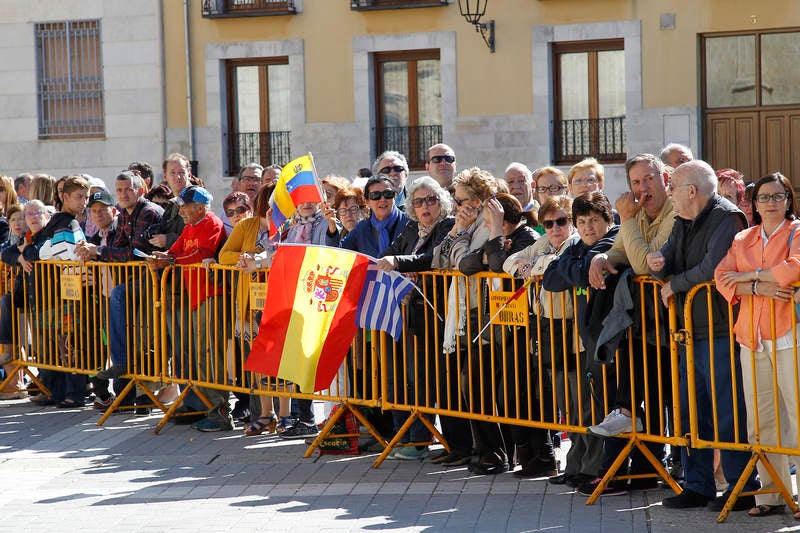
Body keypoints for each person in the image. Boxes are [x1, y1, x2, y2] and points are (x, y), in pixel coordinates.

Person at [647, 159, 759, 511]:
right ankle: (697, 485)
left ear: (691, 191)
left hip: (720, 329)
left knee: (728, 412)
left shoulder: (726, 218)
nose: (670, 196)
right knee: (692, 413)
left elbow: (713, 268)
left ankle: (742, 486)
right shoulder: (683, 219)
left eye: (673, 189)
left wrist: (675, 284)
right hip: (688, 332)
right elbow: (668, 256)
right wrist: (659, 264)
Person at [583, 153, 676, 494]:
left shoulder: (673, 213)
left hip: (677, 326)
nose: (643, 188)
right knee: (645, 384)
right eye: (636, 182)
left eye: (648, 179)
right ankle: (641, 461)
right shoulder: (637, 215)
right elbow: (621, 252)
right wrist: (602, 257)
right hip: (646, 326)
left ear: (664, 177)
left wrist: (626, 219)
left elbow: (643, 265)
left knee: (672, 400)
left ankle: (666, 465)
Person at [715, 172, 800, 518]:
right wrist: (755, 287)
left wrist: (749, 276)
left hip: (789, 334)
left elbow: (794, 268)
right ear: (755, 203)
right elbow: (722, 277)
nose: (770, 203)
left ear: (788, 200)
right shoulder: (743, 237)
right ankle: (771, 494)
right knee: (762, 420)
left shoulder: (797, 231)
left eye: (777, 196)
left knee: (797, 414)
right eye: (764, 197)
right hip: (751, 337)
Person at [542, 192, 619, 490]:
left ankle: (600, 469)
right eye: (582, 222)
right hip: (588, 339)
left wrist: (575, 267)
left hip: (610, 342)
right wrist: (579, 269)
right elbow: (551, 278)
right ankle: (581, 465)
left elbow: (582, 267)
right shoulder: (577, 248)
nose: (588, 228)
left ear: (607, 220)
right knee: (581, 406)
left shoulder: (612, 240)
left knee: (604, 408)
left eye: (595, 221)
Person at [458, 192, 539, 474]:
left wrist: (493, 238)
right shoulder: (493, 238)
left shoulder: (527, 237)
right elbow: (465, 265)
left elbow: (497, 266)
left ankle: (532, 455)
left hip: (516, 327)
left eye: (488, 217)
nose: (483, 221)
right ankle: (491, 452)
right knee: (474, 384)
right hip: (490, 325)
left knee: (512, 395)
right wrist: (489, 250)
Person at [376, 176, 455, 460]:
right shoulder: (411, 227)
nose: (424, 207)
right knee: (408, 377)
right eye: (418, 201)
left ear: (441, 203)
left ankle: (421, 441)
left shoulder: (448, 225)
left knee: (427, 379)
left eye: (430, 200)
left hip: (436, 312)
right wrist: (392, 262)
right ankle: (410, 436)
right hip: (410, 313)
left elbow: (433, 257)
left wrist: (400, 263)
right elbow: (387, 253)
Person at [504, 195, 578, 478]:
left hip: (572, 327)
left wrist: (534, 264)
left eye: (561, 221)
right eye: (549, 223)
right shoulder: (544, 243)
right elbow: (511, 261)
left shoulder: (573, 242)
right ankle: (568, 464)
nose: (556, 228)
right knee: (560, 395)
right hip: (549, 327)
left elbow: (558, 265)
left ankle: (577, 463)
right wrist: (531, 264)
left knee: (575, 398)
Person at [147, 185, 230, 432]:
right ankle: (210, 409)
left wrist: (168, 259)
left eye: (184, 207)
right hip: (196, 298)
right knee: (201, 356)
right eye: (180, 206)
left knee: (210, 357)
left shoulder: (211, 223)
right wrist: (158, 257)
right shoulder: (190, 226)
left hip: (211, 297)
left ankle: (220, 413)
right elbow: (174, 252)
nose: (180, 211)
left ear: (200, 208)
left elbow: (198, 253)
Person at [430, 167, 498, 466]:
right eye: (456, 201)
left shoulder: (488, 223)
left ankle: (491, 451)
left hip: (483, 312)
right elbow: (438, 260)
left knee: (478, 385)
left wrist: (460, 248)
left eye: (462, 200)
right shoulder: (465, 224)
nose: (458, 207)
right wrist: (457, 231)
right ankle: (473, 448)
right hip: (461, 312)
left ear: (479, 198)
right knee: (460, 382)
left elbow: (466, 264)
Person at [86, 171, 164, 414]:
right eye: (119, 190)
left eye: (128, 189)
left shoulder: (148, 212)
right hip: (137, 281)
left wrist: (98, 252)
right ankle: (123, 376)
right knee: (118, 306)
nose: (123, 194)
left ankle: (121, 364)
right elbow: (118, 248)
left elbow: (134, 253)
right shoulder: (126, 216)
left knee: (118, 294)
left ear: (140, 190)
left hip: (156, 279)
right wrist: (97, 252)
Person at [218, 185, 286, 436]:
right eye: (270, 202)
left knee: (281, 361)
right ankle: (266, 414)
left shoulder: (287, 227)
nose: (274, 207)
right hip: (251, 304)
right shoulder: (246, 227)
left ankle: (286, 415)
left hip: (281, 301)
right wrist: (248, 256)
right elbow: (224, 255)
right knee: (259, 361)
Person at [0, 203, 27, 399]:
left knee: (5, 302)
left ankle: (16, 381)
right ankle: (12, 380)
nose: (17, 223)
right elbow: (5, 254)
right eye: (13, 219)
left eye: (20, 218)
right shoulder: (10, 241)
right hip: (14, 293)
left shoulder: (31, 237)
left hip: (29, 295)